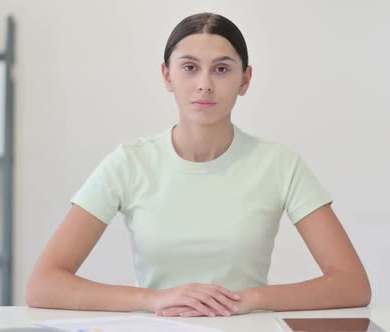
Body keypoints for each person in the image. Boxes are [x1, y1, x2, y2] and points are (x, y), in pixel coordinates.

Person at [26, 12, 371, 317]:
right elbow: (44, 284)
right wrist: (153, 300)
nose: (204, 84)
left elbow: (352, 283)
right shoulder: (129, 162)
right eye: (189, 68)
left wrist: (248, 299)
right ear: (167, 76)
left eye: (221, 69)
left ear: (245, 80)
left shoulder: (280, 164)